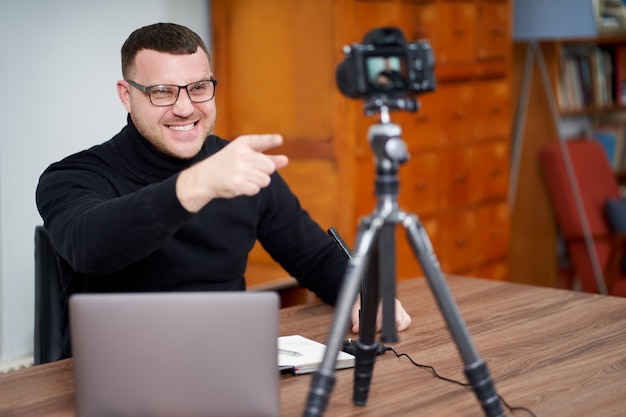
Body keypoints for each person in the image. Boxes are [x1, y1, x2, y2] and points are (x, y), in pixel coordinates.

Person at [36, 23, 411, 357]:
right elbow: (90, 247)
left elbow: (313, 258)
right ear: (126, 94)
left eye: (198, 88)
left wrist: (363, 292)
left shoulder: (238, 164)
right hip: (122, 372)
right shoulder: (72, 175)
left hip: (226, 363)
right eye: (163, 92)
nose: (185, 108)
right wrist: (195, 185)